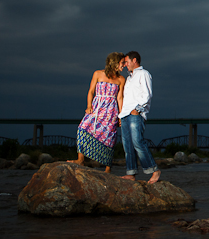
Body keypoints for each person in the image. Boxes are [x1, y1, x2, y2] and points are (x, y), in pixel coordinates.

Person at [68, 52, 126, 173]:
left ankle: (108, 168)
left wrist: (121, 116)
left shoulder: (121, 79)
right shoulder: (98, 74)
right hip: (97, 108)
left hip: (111, 111)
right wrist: (89, 106)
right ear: (114, 63)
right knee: (82, 128)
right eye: (122, 63)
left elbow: (120, 98)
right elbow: (91, 91)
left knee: (110, 137)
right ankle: (80, 159)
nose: (124, 65)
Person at [119, 51, 161, 184]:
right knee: (127, 145)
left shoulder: (144, 74)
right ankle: (131, 173)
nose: (125, 65)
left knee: (138, 142)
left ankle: (154, 170)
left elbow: (147, 94)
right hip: (125, 115)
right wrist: (121, 115)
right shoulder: (129, 78)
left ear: (134, 60)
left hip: (135, 114)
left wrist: (137, 110)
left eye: (127, 62)